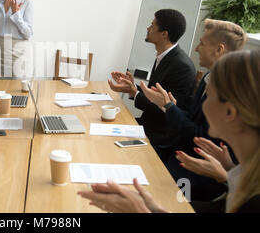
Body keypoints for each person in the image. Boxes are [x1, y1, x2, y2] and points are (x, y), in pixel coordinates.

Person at [79, 49, 260, 213]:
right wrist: (154, 208)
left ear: (229, 112)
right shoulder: (246, 172)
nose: (201, 106)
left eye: (209, 96)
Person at [139, 19, 246, 204]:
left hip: (197, 175)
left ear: (219, 49)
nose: (196, 49)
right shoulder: (208, 76)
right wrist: (169, 106)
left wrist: (169, 108)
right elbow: (190, 119)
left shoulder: (230, 91)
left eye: (202, 43)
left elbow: (200, 138)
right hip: (179, 157)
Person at [108, 9, 195, 155]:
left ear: (164, 34)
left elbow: (165, 111)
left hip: (160, 136)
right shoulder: (164, 56)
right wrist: (131, 88)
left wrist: (135, 93)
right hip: (149, 126)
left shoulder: (182, 66)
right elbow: (154, 97)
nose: (148, 29)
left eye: (152, 25)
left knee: (107, 139)